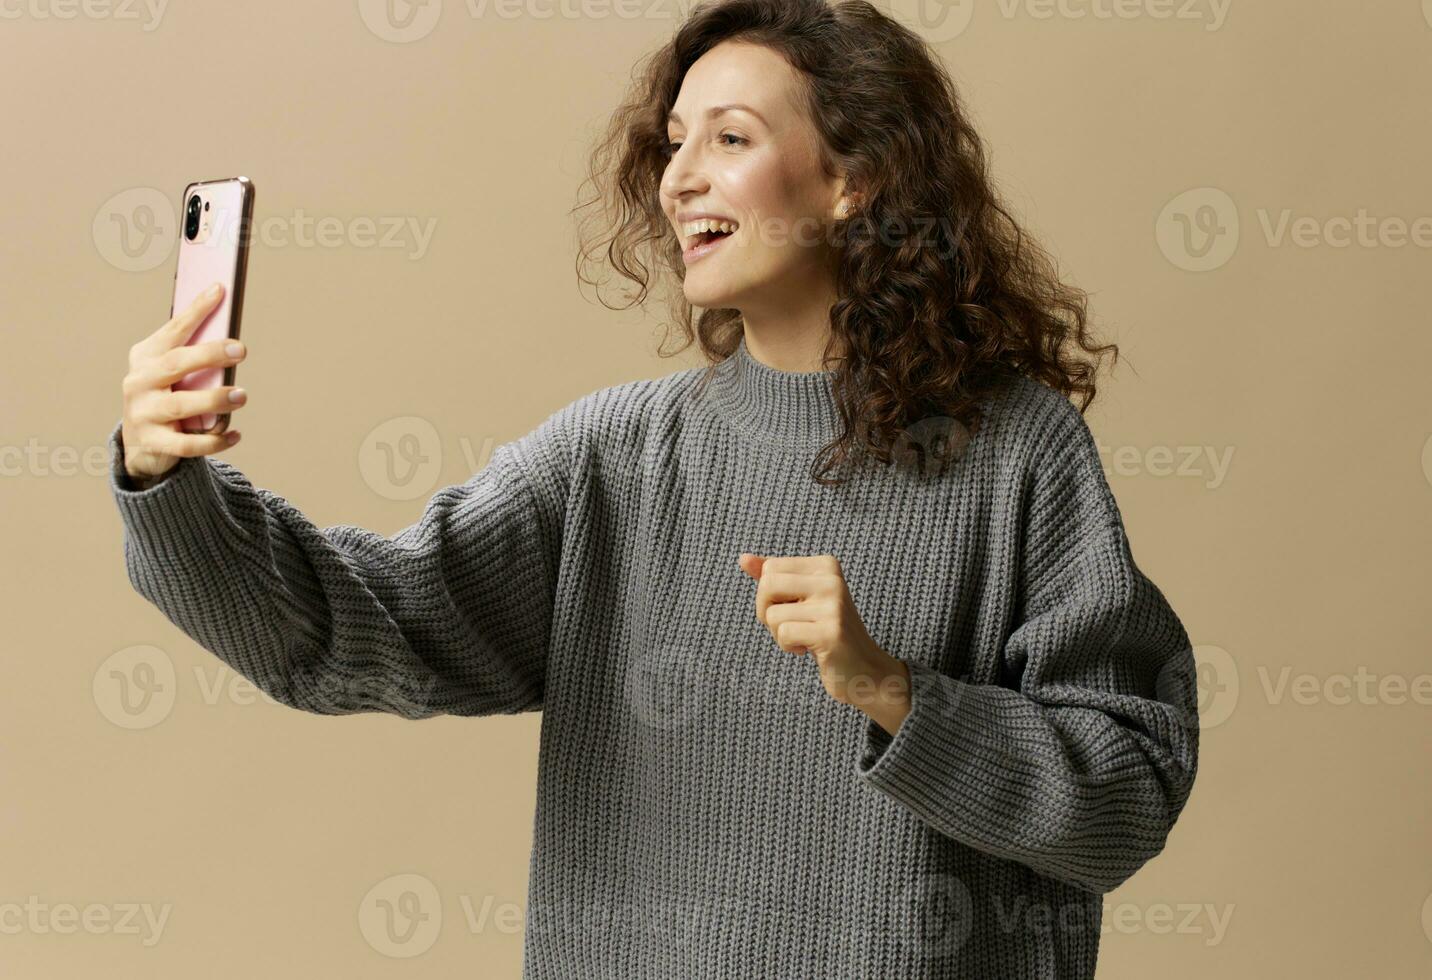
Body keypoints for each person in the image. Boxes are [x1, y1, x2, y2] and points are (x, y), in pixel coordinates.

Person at [108, 1, 1200, 976]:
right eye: (676, 143)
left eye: (731, 138)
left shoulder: (1016, 452)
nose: (679, 177)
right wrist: (172, 486)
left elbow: (1129, 797)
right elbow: (354, 628)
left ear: (851, 178)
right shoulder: (609, 459)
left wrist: (896, 693)